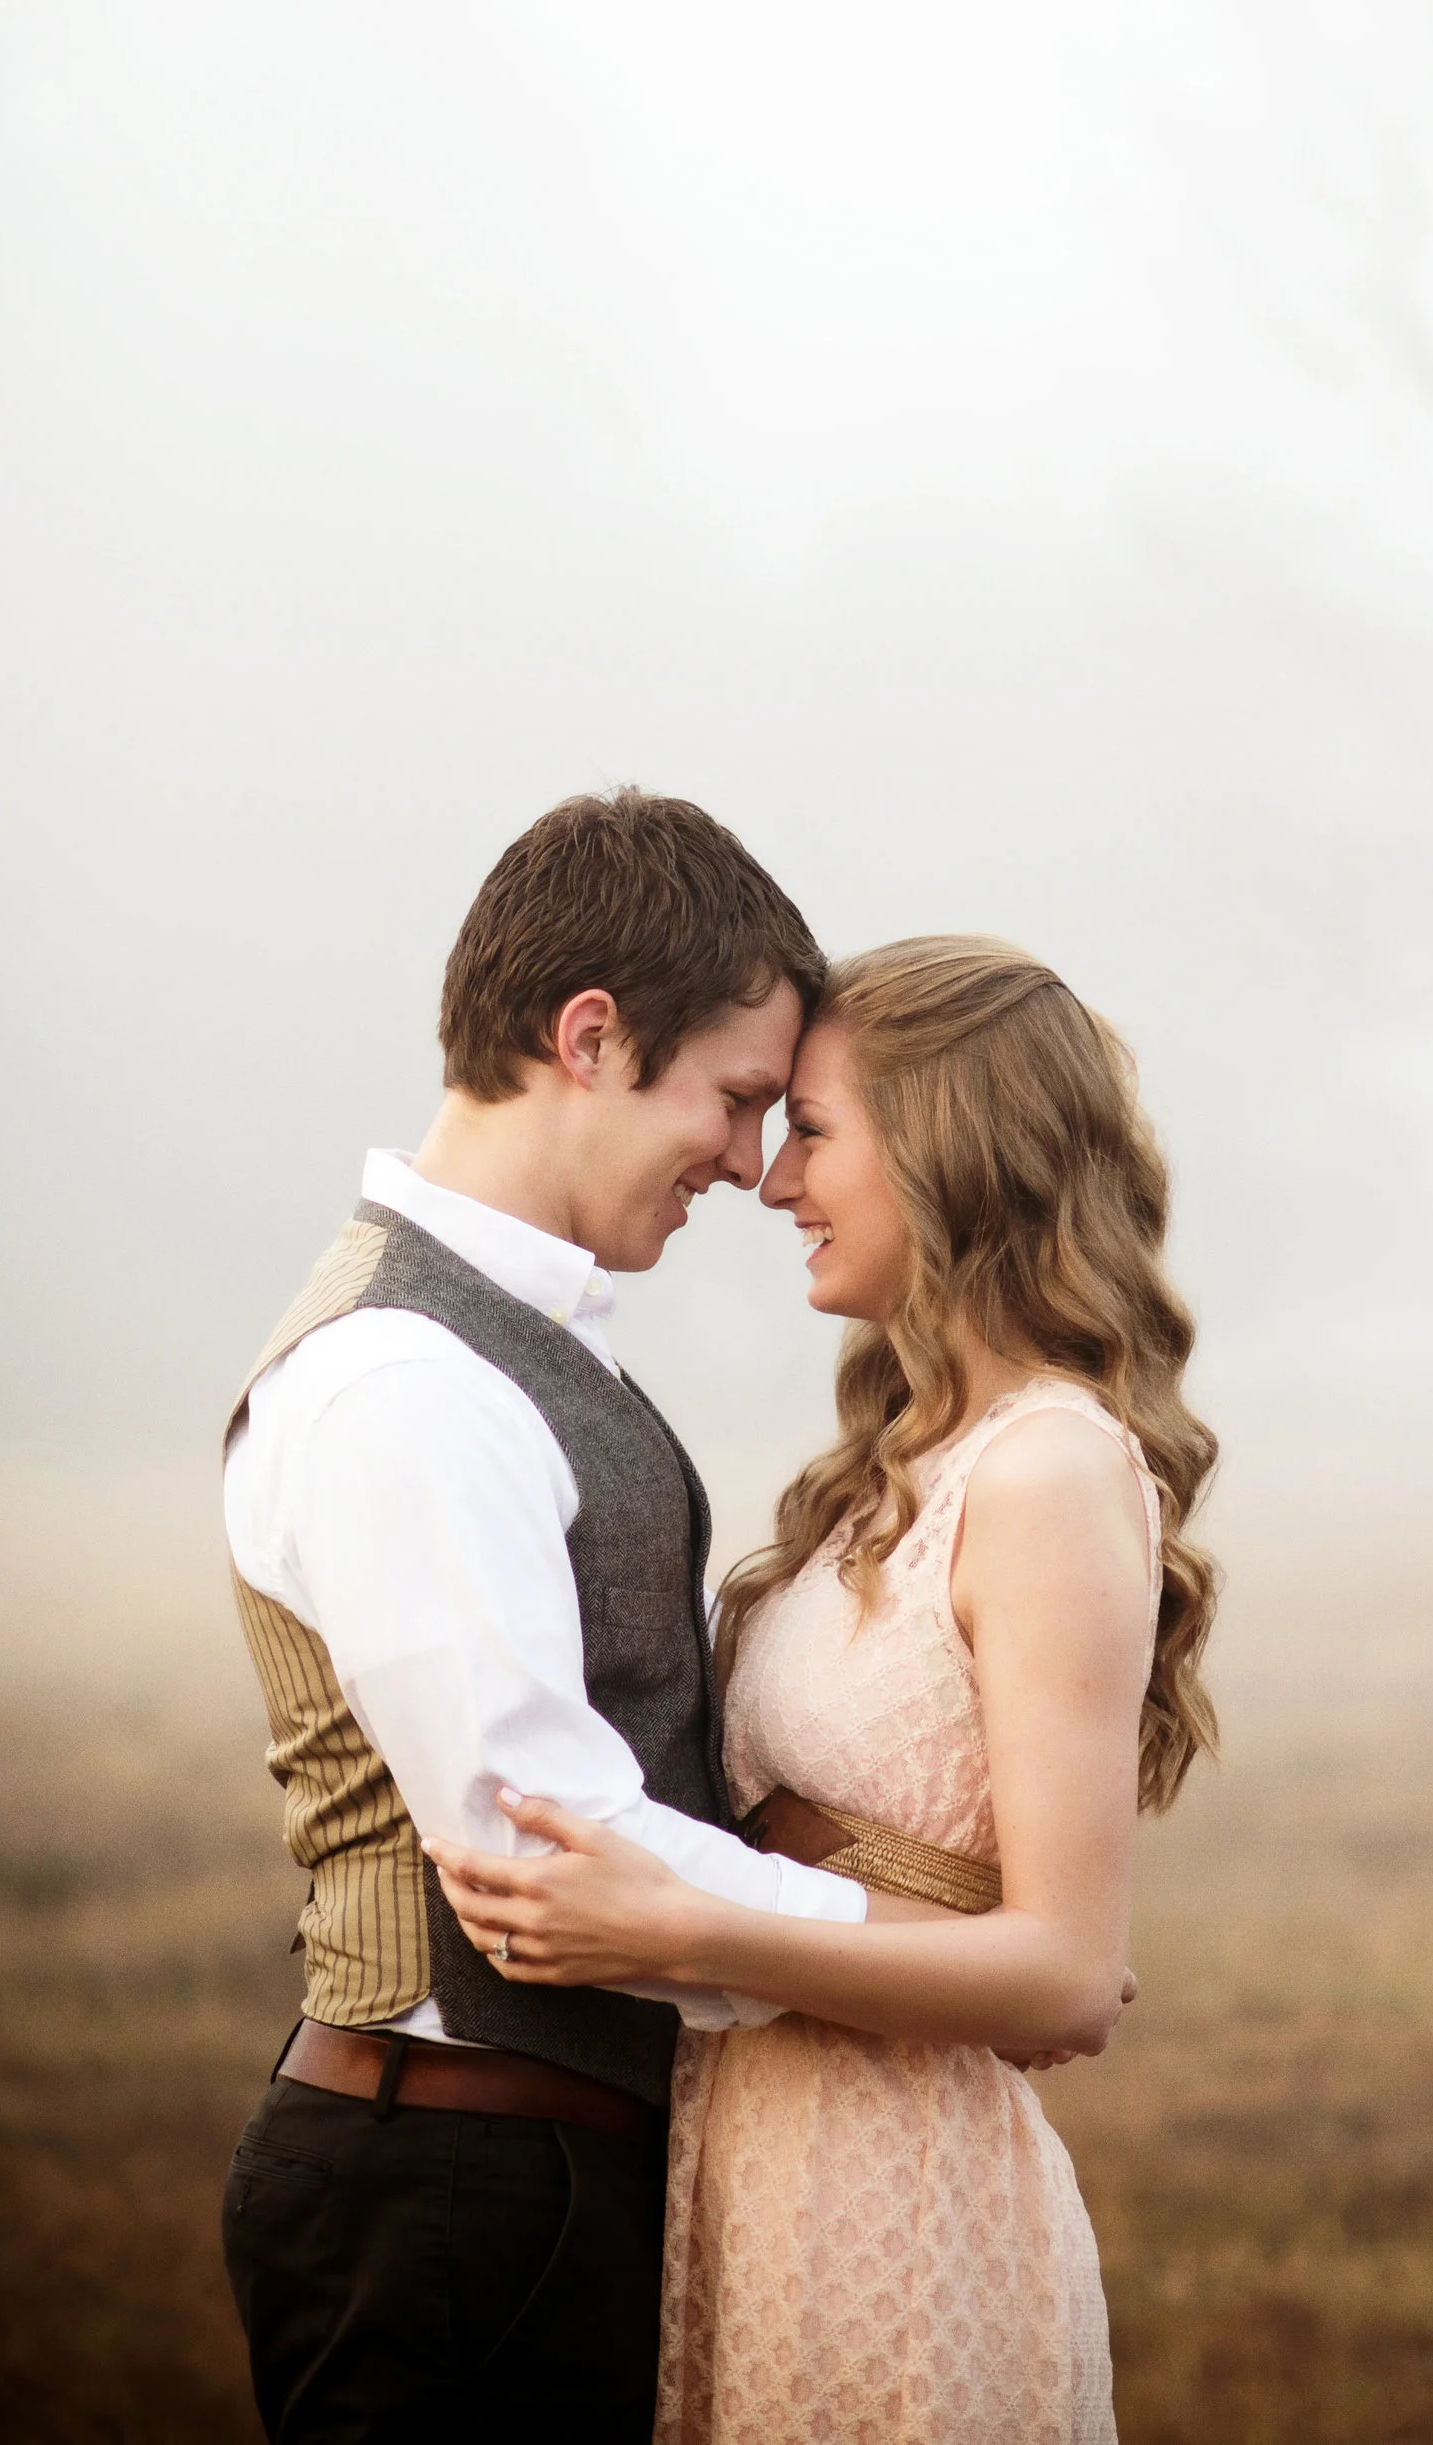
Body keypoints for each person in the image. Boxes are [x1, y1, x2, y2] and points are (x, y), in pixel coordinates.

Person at [428, 936, 1220, 2445]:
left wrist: (686, 1926)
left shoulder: (1046, 1470)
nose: (773, 1180)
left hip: (905, 2208)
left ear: (948, 1146)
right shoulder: (893, 1470)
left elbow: (1064, 1974)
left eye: (812, 1129)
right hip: (753, 2165)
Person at [220, 789, 894, 2445]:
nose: (750, 1167)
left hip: (517, 2175)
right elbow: (545, 1843)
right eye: (737, 1100)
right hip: (454, 2188)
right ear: (589, 1037)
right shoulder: (401, 1378)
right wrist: (934, 1970)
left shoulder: (510, 1347)